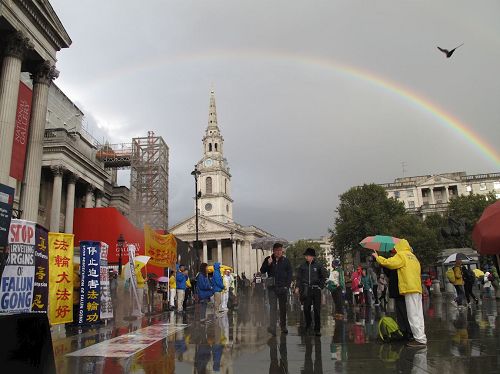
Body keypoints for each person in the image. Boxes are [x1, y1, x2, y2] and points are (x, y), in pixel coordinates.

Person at [373, 239, 427, 347]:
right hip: (416, 287)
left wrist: (377, 257)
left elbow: (389, 263)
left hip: (409, 288)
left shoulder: (402, 255)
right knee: (418, 314)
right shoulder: (413, 256)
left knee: (412, 315)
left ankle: (419, 339)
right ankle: (421, 336)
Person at [260, 242, 293, 336]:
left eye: (280, 250)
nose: (279, 252)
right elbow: (262, 270)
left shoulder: (286, 261)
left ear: (282, 251)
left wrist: (287, 285)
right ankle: (272, 327)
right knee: (273, 308)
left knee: (283, 308)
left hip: (283, 287)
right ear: (273, 251)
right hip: (272, 288)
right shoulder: (268, 259)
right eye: (277, 250)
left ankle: (283, 326)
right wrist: (268, 264)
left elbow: (290, 274)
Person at [295, 247, 328, 336]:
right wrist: (297, 287)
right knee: (306, 309)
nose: (306, 257)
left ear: (312, 256)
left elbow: (323, 276)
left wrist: (320, 287)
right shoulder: (302, 266)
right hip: (306, 290)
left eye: (308, 255)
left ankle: (317, 329)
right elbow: (299, 278)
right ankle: (308, 325)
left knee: (317, 310)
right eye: (306, 255)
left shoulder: (318, 265)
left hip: (316, 289)